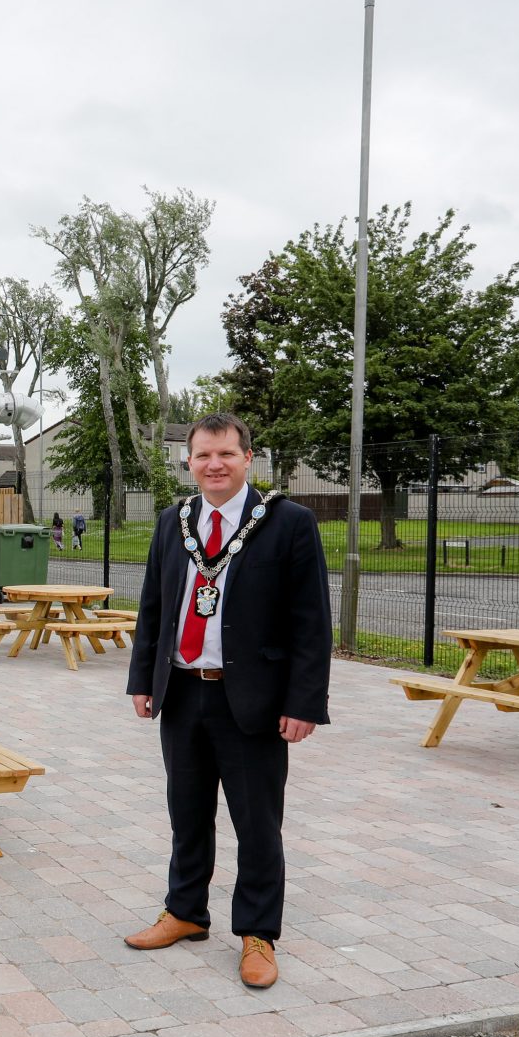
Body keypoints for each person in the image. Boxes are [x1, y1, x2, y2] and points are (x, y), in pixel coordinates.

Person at [123, 412, 331, 990]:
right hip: (184, 692)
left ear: (248, 459)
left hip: (255, 701)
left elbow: (311, 621)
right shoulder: (175, 521)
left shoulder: (287, 523)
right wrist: (143, 679)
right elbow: (154, 607)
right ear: (188, 461)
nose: (214, 465)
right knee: (186, 814)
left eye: (226, 455)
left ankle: (258, 934)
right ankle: (186, 912)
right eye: (203, 455)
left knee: (257, 824)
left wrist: (304, 702)